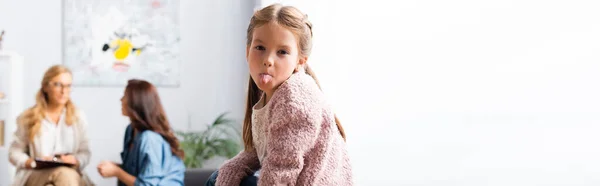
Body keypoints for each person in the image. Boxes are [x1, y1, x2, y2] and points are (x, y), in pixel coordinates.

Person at [207, 3, 353, 186]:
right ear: (247, 51)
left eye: (282, 52)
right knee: (219, 177)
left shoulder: (295, 98)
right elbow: (264, 150)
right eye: (260, 48)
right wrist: (229, 173)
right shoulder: (271, 93)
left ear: (300, 61)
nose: (268, 60)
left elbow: (281, 173)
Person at [9, 64, 93, 186]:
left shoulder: (78, 117)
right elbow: (14, 152)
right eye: (58, 85)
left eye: (68, 86)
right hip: (36, 174)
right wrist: (31, 162)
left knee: (63, 175)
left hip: (70, 173)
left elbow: (85, 152)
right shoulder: (28, 117)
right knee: (64, 174)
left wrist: (75, 160)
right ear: (45, 87)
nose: (64, 91)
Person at [97, 79, 185, 186]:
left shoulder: (150, 138)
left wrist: (117, 172)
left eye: (125, 96)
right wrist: (116, 168)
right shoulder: (131, 130)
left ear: (136, 102)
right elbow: (139, 172)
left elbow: (147, 185)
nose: (121, 100)